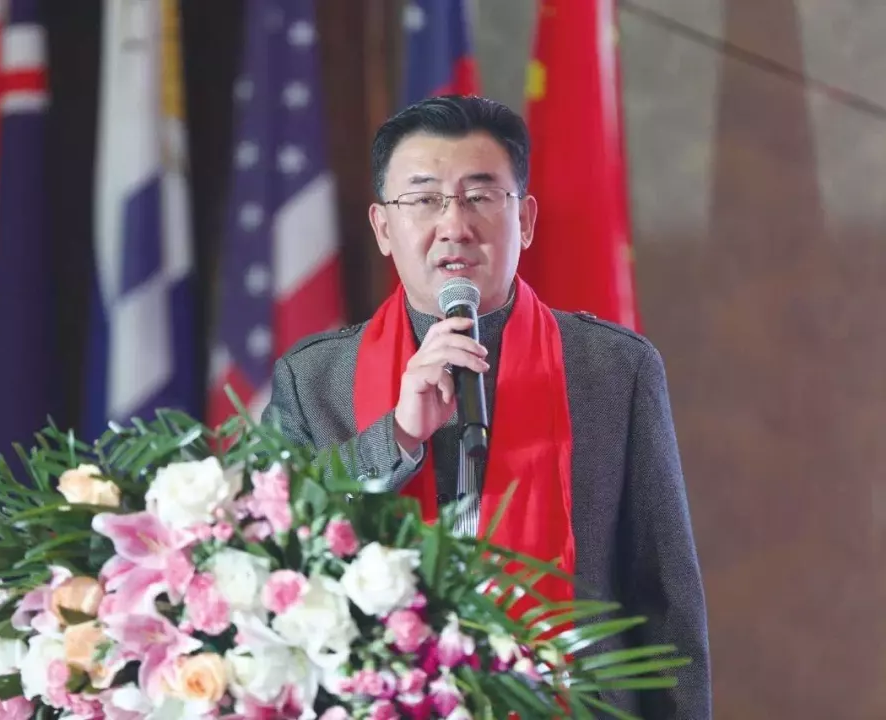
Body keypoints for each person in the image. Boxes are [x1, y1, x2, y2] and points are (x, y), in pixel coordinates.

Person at [261, 95, 710, 719]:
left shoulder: (613, 369)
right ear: (384, 228)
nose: (454, 225)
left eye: (479, 196)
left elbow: (663, 600)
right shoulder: (313, 378)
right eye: (423, 200)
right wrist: (396, 437)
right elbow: (275, 556)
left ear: (524, 219)